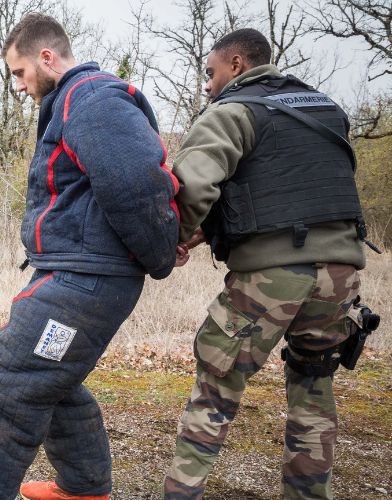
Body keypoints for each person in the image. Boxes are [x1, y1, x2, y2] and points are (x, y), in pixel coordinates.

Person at [0, 13, 180, 500]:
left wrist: (161, 253)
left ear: (47, 57)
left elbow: (136, 183)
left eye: (19, 72)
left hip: (87, 280)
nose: (19, 85)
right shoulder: (75, 102)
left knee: (8, 379)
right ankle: (82, 488)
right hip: (80, 273)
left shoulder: (93, 100)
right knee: (52, 380)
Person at [164, 28, 375, 499]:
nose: (206, 84)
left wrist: (174, 240)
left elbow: (193, 186)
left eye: (210, 72)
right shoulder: (325, 108)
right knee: (314, 388)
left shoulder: (233, 111)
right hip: (341, 273)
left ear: (237, 64)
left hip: (272, 276)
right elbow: (293, 187)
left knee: (215, 391)